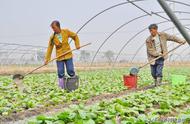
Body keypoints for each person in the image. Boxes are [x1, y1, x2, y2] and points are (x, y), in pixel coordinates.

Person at [45, 20, 80, 89]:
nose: (53, 29)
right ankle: (62, 87)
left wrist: (77, 45)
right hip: (59, 57)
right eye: (52, 28)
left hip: (68, 55)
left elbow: (75, 36)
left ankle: (73, 86)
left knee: (70, 70)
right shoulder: (52, 37)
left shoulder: (66, 32)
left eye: (54, 28)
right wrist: (47, 59)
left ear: (58, 27)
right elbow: (50, 48)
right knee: (60, 73)